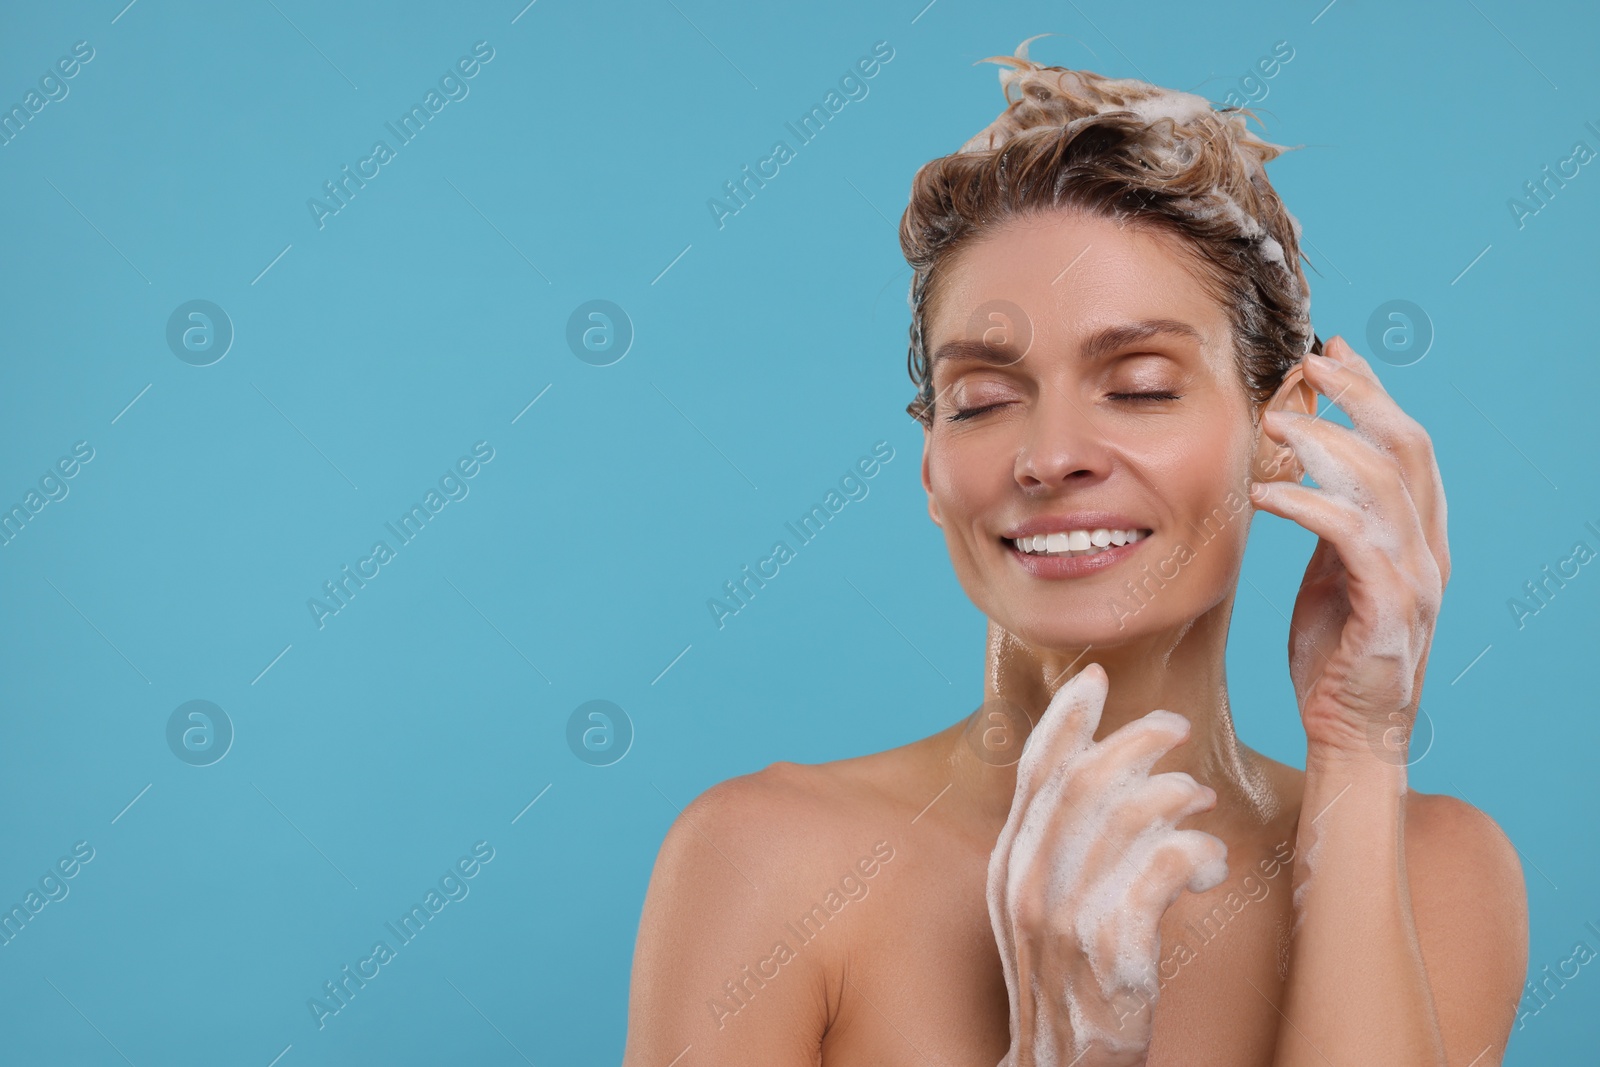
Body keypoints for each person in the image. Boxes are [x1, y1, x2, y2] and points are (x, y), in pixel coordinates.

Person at [621, 36, 1528, 1066]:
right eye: (983, 400)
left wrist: (1359, 746)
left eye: (1139, 386)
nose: (1048, 455)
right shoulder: (763, 858)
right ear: (932, 469)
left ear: (1280, 435)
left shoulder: (1437, 869)